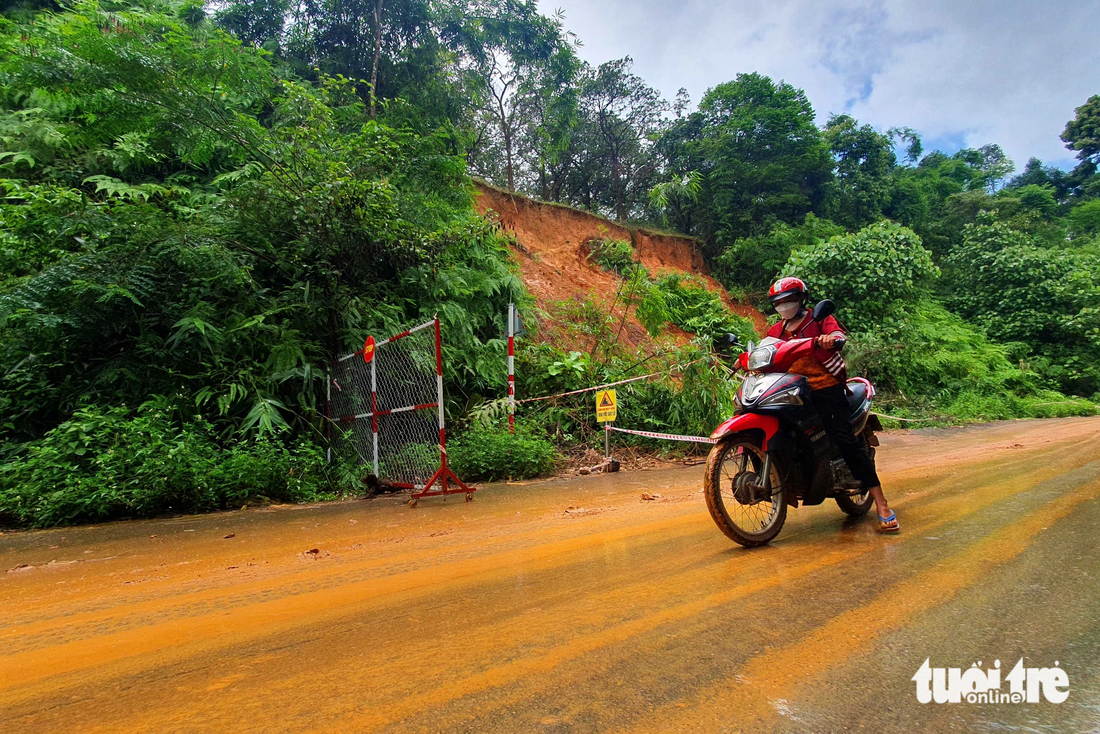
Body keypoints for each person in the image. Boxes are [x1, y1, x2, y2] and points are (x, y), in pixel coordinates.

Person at [766, 277, 899, 532]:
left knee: (845, 441)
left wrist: (831, 339)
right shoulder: (776, 331)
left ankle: (881, 503)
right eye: (778, 302)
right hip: (793, 390)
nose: (784, 305)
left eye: (789, 300)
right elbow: (769, 352)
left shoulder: (818, 320)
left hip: (825, 387)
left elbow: (837, 334)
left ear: (802, 299)